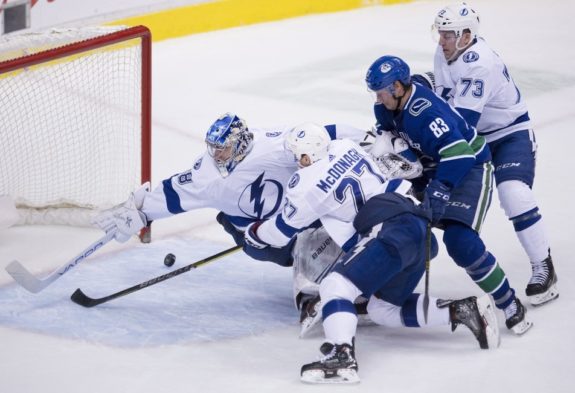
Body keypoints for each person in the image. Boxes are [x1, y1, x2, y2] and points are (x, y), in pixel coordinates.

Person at [91, 113, 420, 334]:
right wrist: (139, 210)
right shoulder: (206, 176)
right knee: (286, 245)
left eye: (224, 149)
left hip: (291, 214)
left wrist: (371, 139)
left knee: (327, 227)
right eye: (215, 150)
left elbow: (325, 135)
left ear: (242, 142)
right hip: (250, 228)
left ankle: (336, 287)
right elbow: (172, 193)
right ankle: (327, 286)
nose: (218, 156)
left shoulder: (271, 144)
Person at [244, 124, 500, 384]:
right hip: (417, 228)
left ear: (307, 157)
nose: (297, 162)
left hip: (388, 229)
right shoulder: (345, 147)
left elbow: (280, 232)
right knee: (382, 309)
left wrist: (253, 234)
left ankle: (341, 357)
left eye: (298, 156)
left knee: (335, 286)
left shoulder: (304, 184)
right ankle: (464, 310)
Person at [365, 55, 532, 335]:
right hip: (431, 167)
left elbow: (460, 153)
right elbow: (387, 131)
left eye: (381, 91)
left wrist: (440, 188)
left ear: (397, 87)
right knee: (395, 222)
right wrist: (405, 157)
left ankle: (509, 302)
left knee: (460, 241)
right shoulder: (385, 106)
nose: (378, 99)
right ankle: (372, 289)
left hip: (469, 167)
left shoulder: (426, 112)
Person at [431, 2, 558, 306]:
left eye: (449, 35)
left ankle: (544, 266)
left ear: (466, 35)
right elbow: (443, 94)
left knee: (514, 193)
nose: (442, 41)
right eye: (441, 33)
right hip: (477, 140)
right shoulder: (446, 51)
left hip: (509, 134)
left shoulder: (480, 63)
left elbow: (462, 124)